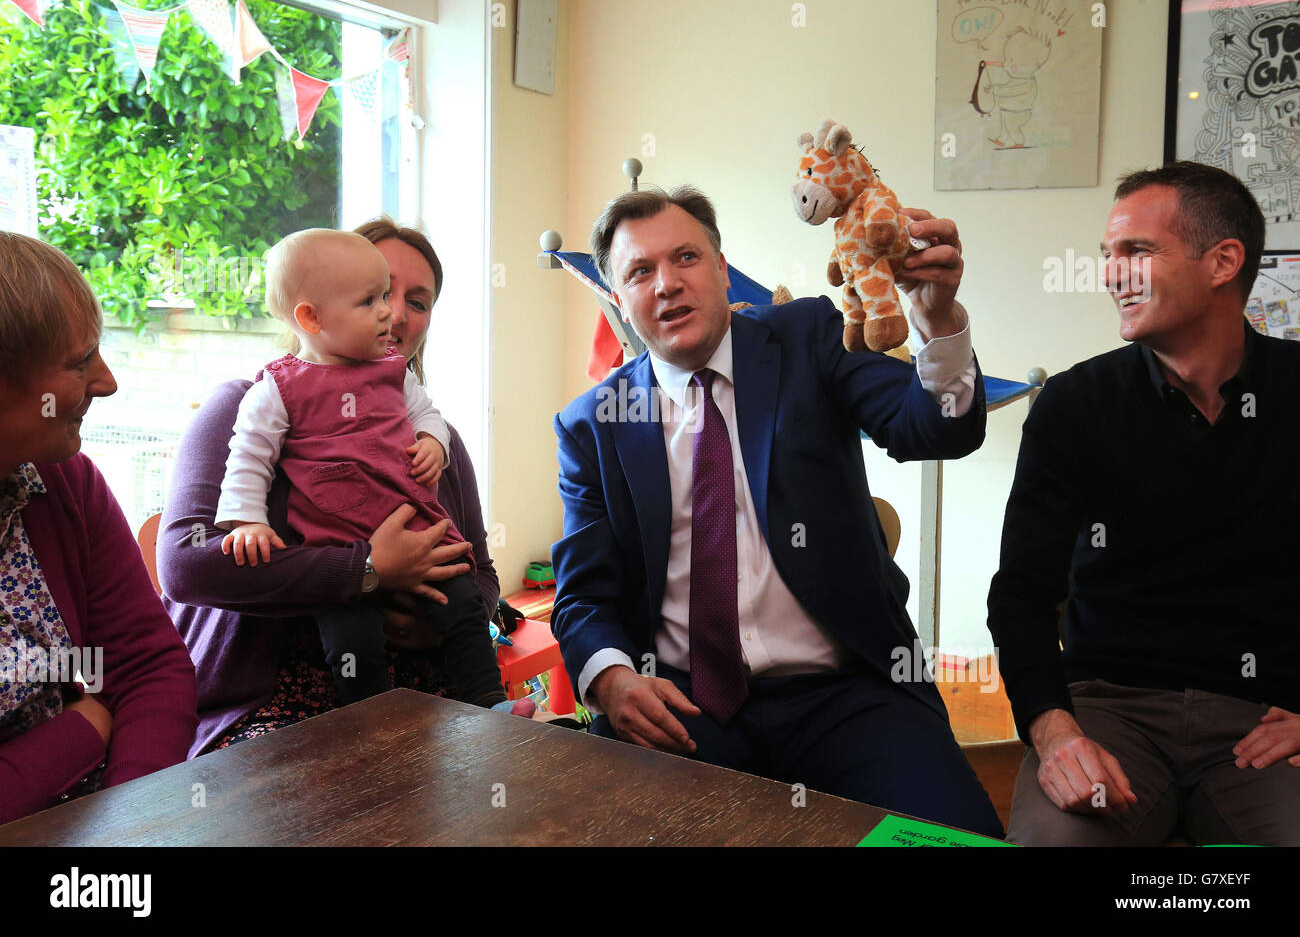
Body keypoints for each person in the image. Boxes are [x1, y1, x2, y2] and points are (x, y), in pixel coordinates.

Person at [551, 186, 1003, 837]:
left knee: (955, 840)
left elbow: (936, 432)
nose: (668, 284)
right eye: (640, 272)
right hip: (684, 705)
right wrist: (614, 680)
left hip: (847, 695)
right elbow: (583, 599)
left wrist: (936, 317)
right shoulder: (592, 425)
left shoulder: (809, 336)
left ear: (723, 269)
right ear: (619, 299)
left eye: (686, 257)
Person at [987, 161, 1300, 845]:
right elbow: (1020, 595)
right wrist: (1054, 729)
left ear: (1223, 262)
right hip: (1108, 708)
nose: (1110, 274)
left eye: (1137, 251)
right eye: (1108, 255)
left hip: (1264, 719)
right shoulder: (1075, 404)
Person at [161, 218, 507, 755]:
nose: (394, 312)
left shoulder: (434, 437)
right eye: (378, 292)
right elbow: (186, 565)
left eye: (418, 301)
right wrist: (365, 570)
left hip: (432, 695)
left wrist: (434, 627)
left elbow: (481, 573)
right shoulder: (243, 406)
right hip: (276, 707)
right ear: (313, 309)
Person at [0, 232, 196, 824]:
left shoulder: (64, 485)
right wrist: (86, 728)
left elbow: (146, 670)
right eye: (79, 361)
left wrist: (127, 821)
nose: (107, 381)